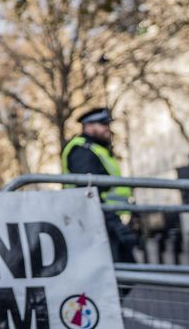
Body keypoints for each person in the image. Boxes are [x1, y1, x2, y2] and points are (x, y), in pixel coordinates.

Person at [62, 107, 138, 263]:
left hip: (106, 219)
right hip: (98, 221)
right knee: (118, 274)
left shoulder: (96, 149)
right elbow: (88, 190)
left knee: (123, 274)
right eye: (103, 124)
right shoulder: (82, 149)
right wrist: (112, 222)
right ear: (88, 126)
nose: (107, 129)